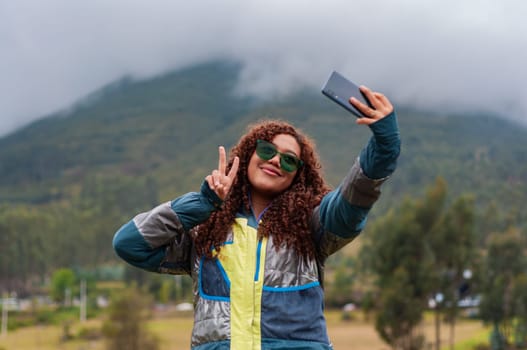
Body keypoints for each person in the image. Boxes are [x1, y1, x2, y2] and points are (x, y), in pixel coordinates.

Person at [113, 85, 401, 350]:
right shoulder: (204, 229)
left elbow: (353, 199)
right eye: (268, 150)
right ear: (250, 154)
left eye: (289, 159)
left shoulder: (312, 224)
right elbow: (130, 244)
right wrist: (202, 204)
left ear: (297, 175)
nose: (276, 160)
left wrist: (384, 146)